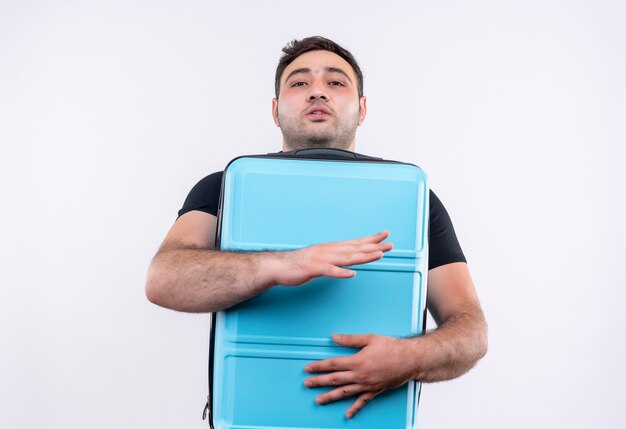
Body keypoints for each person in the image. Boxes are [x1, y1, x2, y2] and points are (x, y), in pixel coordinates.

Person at [145, 36, 488, 419]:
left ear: (362, 108)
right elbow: (165, 280)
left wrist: (409, 358)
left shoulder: (416, 200)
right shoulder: (223, 187)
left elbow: (471, 331)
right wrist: (279, 265)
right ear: (275, 110)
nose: (317, 92)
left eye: (336, 82)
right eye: (299, 83)